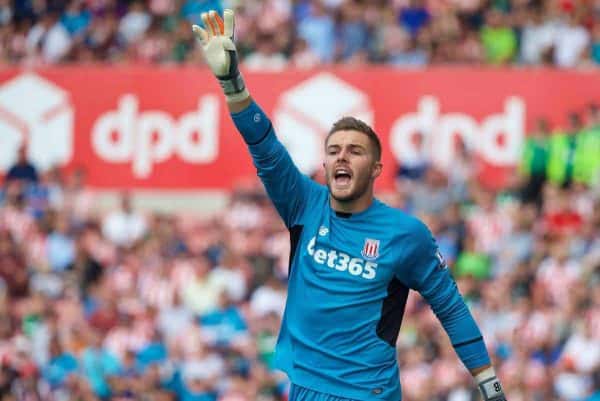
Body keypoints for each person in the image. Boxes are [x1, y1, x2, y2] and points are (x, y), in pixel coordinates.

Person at [192, 9, 507, 401]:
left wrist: (491, 388)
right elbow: (265, 147)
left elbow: (451, 309)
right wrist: (232, 83)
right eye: (333, 150)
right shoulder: (304, 203)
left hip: (366, 392)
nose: (341, 157)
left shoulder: (405, 234)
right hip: (304, 389)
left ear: (375, 168)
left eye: (354, 151)